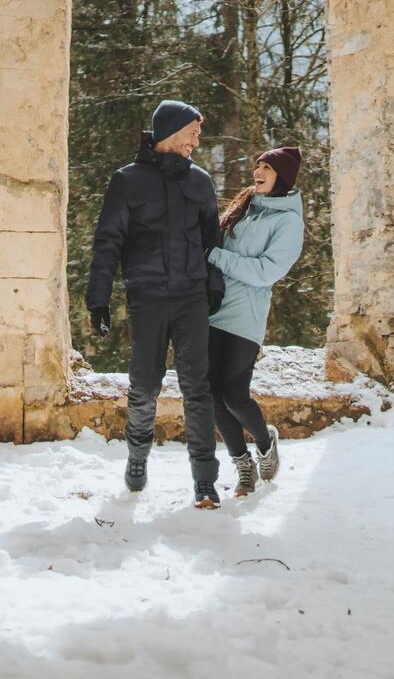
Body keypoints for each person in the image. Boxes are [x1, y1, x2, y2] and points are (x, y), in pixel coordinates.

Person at [86, 100, 226, 509]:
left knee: (198, 389)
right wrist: (98, 299)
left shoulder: (200, 181)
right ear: (171, 131)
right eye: (193, 133)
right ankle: (137, 457)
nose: (197, 142)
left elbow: (211, 242)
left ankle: (204, 480)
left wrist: (213, 286)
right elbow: (107, 242)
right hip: (147, 299)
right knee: (145, 387)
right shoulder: (127, 181)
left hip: (191, 298)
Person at [208, 146, 304, 497]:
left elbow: (267, 271)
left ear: (283, 177)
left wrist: (216, 257)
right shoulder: (245, 207)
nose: (257, 171)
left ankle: (265, 443)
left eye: (267, 167)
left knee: (234, 395)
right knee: (210, 395)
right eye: (257, 165)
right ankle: (242, 464)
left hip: (245, 319)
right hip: (212, 312)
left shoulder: (288, 222)